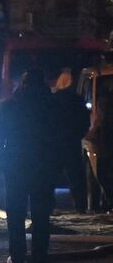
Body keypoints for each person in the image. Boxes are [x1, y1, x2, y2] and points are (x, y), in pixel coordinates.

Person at [0, 68, 59, 263]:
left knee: (16, 215)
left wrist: (2, 162)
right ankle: (40, 257)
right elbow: (62, 138)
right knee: (41, 215)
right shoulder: (51, 106)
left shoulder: (9, 106)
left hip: (15, 168)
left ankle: (18, 258)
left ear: (23, 84)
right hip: (43, 168)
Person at [51, 69, 90, 211]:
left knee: (50, 178)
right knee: (76, 179)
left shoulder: (52, 99)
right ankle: (80, 207)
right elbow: (85, 121)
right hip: (71, 143)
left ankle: (48, 207)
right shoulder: (77, 100)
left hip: (54, 144)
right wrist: (78, 134)